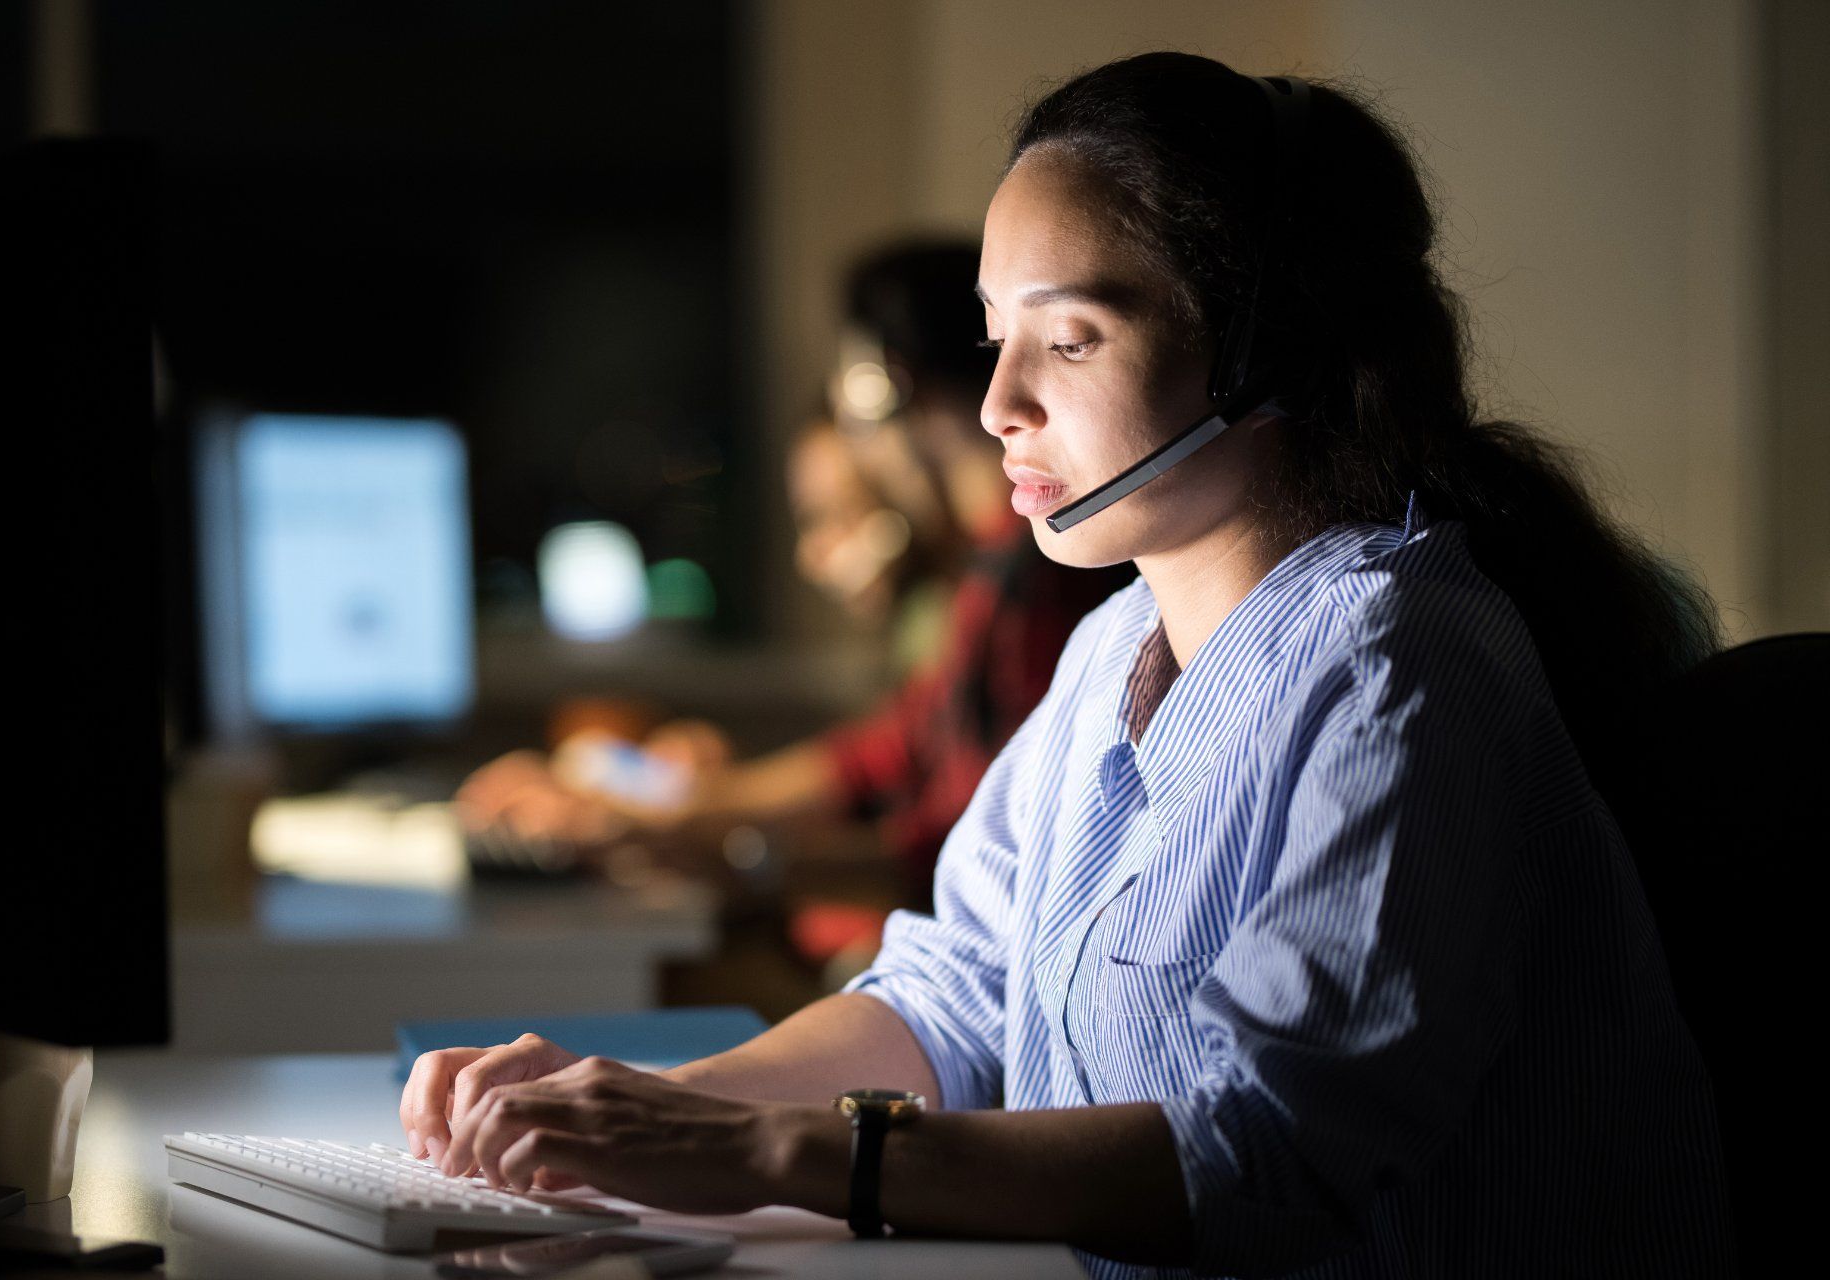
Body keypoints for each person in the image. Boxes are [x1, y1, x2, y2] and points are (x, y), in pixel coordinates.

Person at [403, 54, 1735, 1277]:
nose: (998, 407)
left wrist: (761, 1155)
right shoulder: (1112, 651)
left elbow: (1264, 1153)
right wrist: (642, 1106)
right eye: (997, 339)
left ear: (1265, 351)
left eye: (1072, 339)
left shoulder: (1400, 667)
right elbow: (953, 998)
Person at [458, 243, 1130, 908]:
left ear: (886, 387)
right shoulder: (994, 571)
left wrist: (703, 844)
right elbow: (883, 751)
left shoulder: (1036, 576)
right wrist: (674, 808)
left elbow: (955, 859)